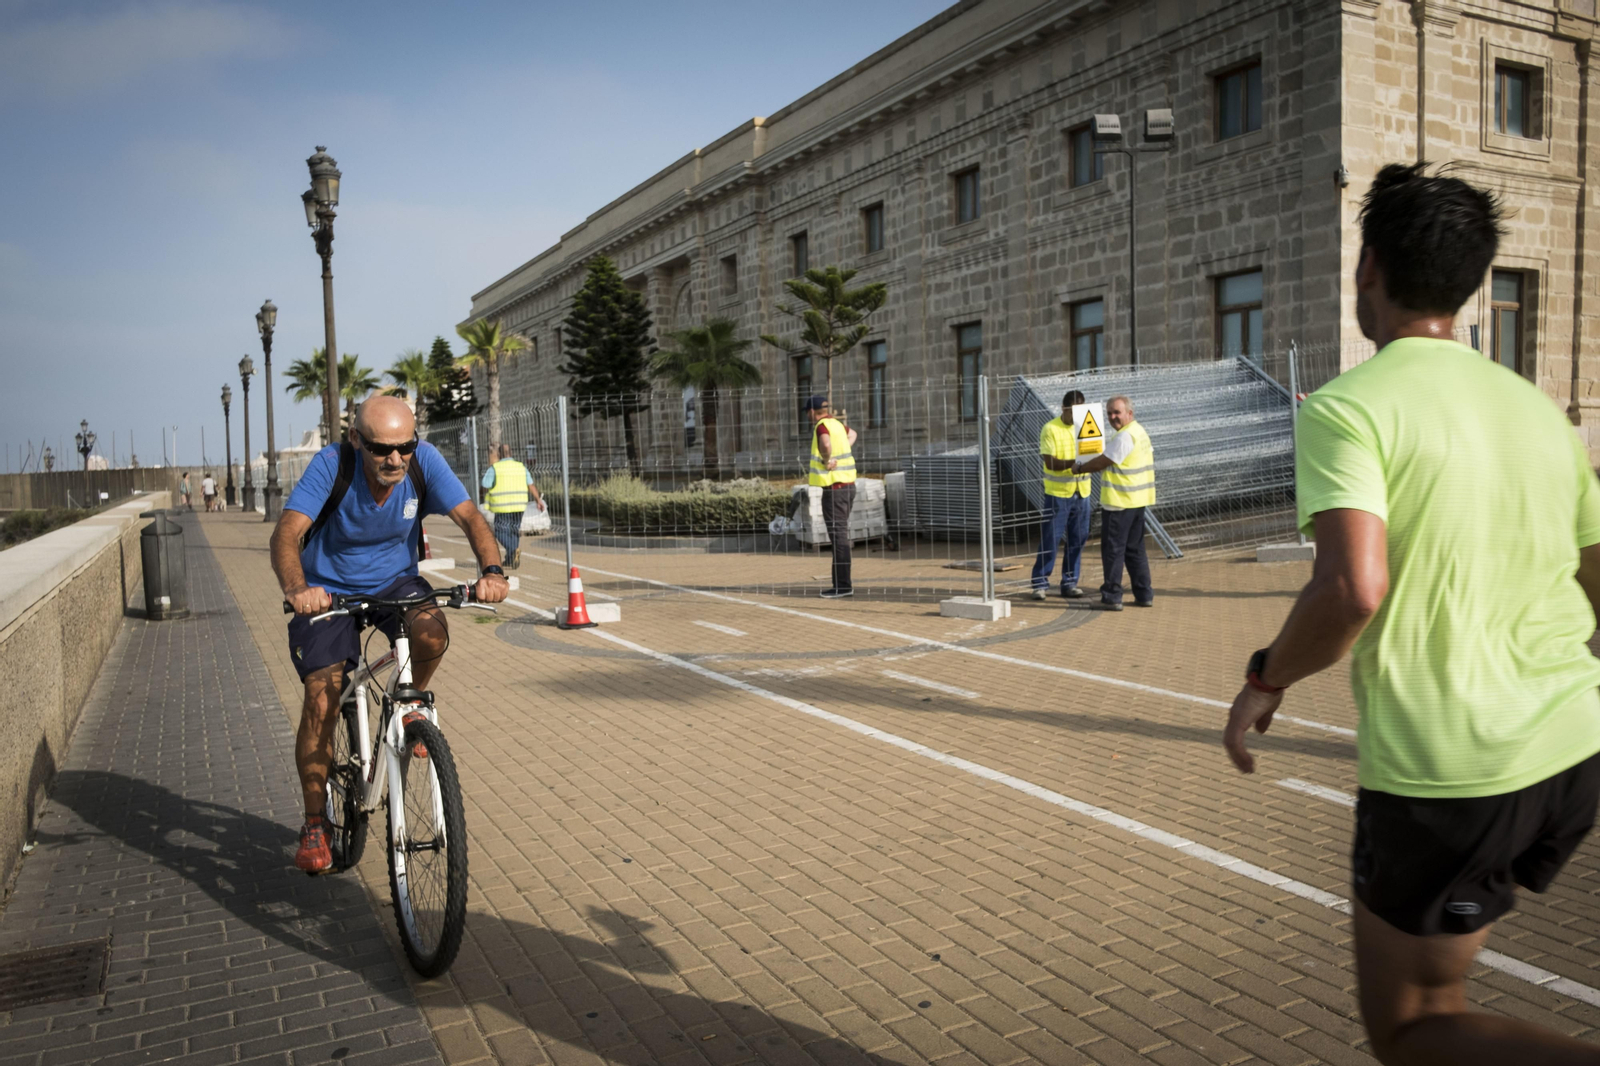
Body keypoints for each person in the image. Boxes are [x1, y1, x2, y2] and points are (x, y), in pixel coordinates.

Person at [1222, 163, 1600, 1066]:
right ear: (1472, 283)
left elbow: (1352, 588)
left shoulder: (1349, 410)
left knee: (1417, 1022)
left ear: (1368, 271)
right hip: (1570, 743)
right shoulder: (1540, 412)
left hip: (1449, 768)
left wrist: (1264, 678)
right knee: (1450, 996)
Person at [271, 395, 509, 874]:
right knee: (323, 697)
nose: (396, 459)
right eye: (382, 450)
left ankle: (412, 703)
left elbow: (470, 517)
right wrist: (298, 588)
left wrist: (492, 569)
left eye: (405, 447)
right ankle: (316, 823)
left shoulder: (422, 462)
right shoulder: (331, 465)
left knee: (431, 633)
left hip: (394, 582)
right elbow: (286, 533)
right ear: (357, 440)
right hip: (327, 591)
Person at [1073, 395, 1154, 610]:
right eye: (1109, 413)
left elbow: (1103, 462)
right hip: (1137, 501)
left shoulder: (1125, 437)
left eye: (1117, 412)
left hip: (1119, 502)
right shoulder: (1139, 432)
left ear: (1129, 413)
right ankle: (1144, 593)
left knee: (1113, 550)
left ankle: (1112, 596)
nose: (1112, 417)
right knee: (1135, 550)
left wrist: (1079, 468)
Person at [1031, 390, 1092, 600]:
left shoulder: (1086, 426)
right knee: (1051, 539)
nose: (1077, 416)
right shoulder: (1050, 429)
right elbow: (1050, 462)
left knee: (1078, 540)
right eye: (1073, 412)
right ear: (1063, 409)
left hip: (1082, 493)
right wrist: (1073, 465)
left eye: (1081, 411)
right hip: (1058, 495)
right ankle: (1040, 582)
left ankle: (1069, 582)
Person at [806, 395, 858, 598]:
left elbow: (825, 445)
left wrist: (828, 459)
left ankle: (843, 586)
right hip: (848, 486)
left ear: (811, 412)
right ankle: (843, 584)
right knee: (841, 535)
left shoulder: (821, 426)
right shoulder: (837, 424)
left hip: (834, 489)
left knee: (839, 538)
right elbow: (853, 433)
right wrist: (842, 450)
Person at [480, 443, 544, 568]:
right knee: (514, 531)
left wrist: (482, 498)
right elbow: (530, 484)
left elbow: (485, 486)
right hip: (519, 506)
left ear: (499, 454)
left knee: (500, 531)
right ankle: (511, 560)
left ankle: (512, 550)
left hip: (502, 506)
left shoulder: (495, 468)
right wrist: (538, 500)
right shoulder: (521, 467)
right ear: (512, 453)